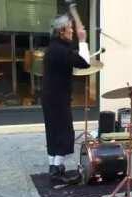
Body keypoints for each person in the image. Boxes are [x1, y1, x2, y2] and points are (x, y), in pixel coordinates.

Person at [42, 14, 90, 183]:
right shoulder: (61, 50)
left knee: (53, 131)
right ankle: (56, 169)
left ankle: (54, 167)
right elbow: (85, 62)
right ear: (62, 31)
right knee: (65, 133)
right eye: (70, 28)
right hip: (58, 97)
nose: (72, 31)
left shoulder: (53, 47)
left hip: (50, 96)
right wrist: (83, 40)